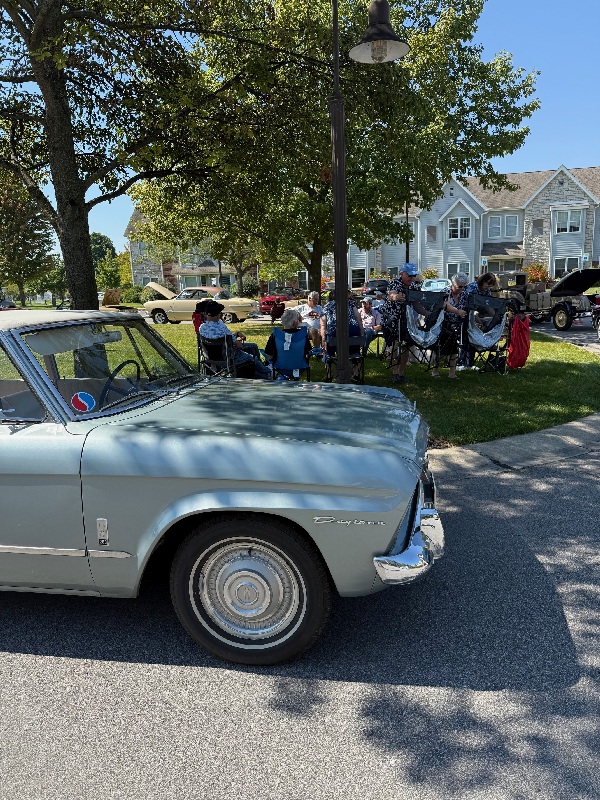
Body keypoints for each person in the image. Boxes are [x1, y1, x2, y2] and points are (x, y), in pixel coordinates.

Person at [199, 300, 272, 379]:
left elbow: (223, 339)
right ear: (217, 314)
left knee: (253, 346)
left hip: (210, 357)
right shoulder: (221, 328)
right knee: (251, 356)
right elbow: (239, 345)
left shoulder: (202, 328)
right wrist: (235, 339)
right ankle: (267, 372)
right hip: (228, 357)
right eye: (220, 313)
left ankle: (262, 371)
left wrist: (236, 334)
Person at [381, 263, 421, 384]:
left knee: (406, 346)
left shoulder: (413, 286)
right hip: (392, 319)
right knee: (395, 345)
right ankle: (395, 373)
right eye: (409, 275)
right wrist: (396, 297)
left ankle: (401, 373)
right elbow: (391, 295)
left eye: (413, 275)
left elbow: (417, 304)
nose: (411, 278)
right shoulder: (395, 283)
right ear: (402, 274)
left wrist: (427, 313)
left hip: (406, 320)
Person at [319, 292, 364, 383]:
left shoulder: (326, 307)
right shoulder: (350, 304)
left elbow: (323, 325)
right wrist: (362, 333)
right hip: (352, 331)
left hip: (334, 333)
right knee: (354, 352)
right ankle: (356, 374)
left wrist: (323, 341)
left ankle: (329, 375)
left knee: (329, 354)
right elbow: (358, 318)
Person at [458, 272, 499, 370]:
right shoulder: (471, 288)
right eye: (488, 285)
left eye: (491, 286)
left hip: (473, 315)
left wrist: (496, 317)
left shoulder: (487, 291)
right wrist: (475, 317)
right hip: (463, 314)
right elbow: (466, 304)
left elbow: (488, 306)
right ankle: (462, 362)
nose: (488, 288)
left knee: (474, 337)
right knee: (465, 338)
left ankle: (470, 363)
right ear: (482, 281)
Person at [431, 272, 468, 379]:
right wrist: (458, 311)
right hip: (443, 323)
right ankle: (435, 371)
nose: (462, 289)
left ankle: (452, 373)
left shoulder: (464, 294)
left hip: (456, 324)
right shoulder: (446, 292)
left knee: (454, 349)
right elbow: (444, 305)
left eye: (464, 286)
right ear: (453, 284)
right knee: (439, 349)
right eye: (460, 286)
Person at [264, 308, 312, 377]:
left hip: (279, 367)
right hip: (300, 367)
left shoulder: (275, 335)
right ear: (294, 323)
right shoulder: (302, 335)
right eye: (298, 321)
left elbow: (269, 357)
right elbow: (308, 352)